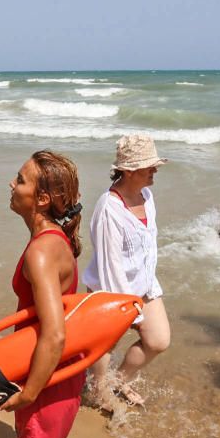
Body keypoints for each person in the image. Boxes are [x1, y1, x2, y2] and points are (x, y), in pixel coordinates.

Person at [0, 149, 114, 438]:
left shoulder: (41, 251)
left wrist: (29, 392)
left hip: (48, 372)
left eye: (21, 180)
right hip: (50, 367)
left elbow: (55, 333)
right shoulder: (52, 238)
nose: (12, 184)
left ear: (42, 199)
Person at [82, 134, 170, 407]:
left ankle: (119, 381)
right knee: (106, 346)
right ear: (130, 171)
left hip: (143, 285)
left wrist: (149, 289)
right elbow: (110, 266)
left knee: (158, 341)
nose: (155, 170)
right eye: (149, 166)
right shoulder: (110, 209)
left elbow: (148, 247)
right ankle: (98, 391)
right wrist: (126, 310)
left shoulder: (146, 194)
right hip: (111, 291)